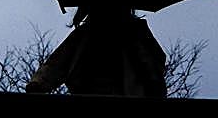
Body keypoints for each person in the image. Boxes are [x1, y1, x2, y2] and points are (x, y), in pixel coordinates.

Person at [26, 5, 166, 97]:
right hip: (90, 97)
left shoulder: (136, 33)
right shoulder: (84, 35)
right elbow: (57, 63)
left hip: (125, 98)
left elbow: (154, 63)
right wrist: (38, 84)